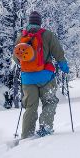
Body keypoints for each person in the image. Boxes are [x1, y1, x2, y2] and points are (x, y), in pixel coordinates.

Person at [13, 11, 69, 139]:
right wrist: (64, 66)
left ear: (29, 22)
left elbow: (16, 58)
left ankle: (27, 134)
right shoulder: (48, 35)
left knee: (30, 107)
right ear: (40, 22)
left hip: (27, 79)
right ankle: (45, 128)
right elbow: (58, 53)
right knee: (49, 102)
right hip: (45, 77)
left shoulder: (21, 37)